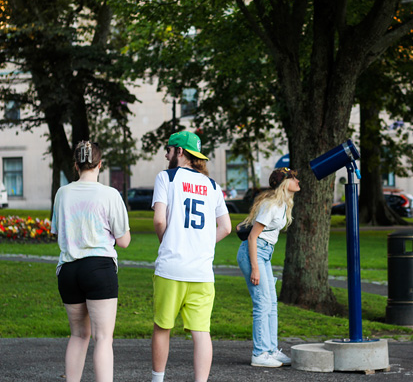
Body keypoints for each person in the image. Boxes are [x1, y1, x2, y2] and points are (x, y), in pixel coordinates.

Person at [151, 131, 232, 382]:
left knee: (163, 327)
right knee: (201, 332)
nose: (166, 154)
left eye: (169, 149)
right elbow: (227, 227)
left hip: (171, 268)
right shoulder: (213, 186)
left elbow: (159, 219)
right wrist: (204, 243)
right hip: (202, 272)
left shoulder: (167, 178)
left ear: (180, 152)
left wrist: (169, 241)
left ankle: (157, 380)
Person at [51, 141, 131, 382]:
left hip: (68, 269)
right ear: (100, 164)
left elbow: (57, 232)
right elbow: (124, 241)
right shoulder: (110, 194)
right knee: (103, 338)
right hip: (99, 268)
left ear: (76, 165)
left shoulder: (62, 193)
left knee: (78, 335)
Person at [236, 167, 300, 367]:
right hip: (253, 253)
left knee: (271, 303)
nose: (297, 181)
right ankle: (260, 353)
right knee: (262, 304)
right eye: (293, 178)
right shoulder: (271, 205)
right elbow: (253, 237)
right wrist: (255, 267)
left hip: (264, 253)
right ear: (284, 183)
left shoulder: (283, 205)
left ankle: (271, 350)